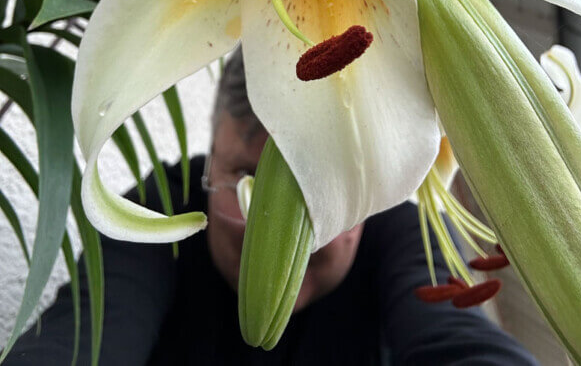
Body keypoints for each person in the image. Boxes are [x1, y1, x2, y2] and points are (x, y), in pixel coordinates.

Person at [6, 49, 538, 365]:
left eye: (320, 187)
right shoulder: (161, 208)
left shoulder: (397, 217)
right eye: (244, 176)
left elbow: (459, 341)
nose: (278, 236)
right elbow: (82, 342)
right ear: (210, 157)